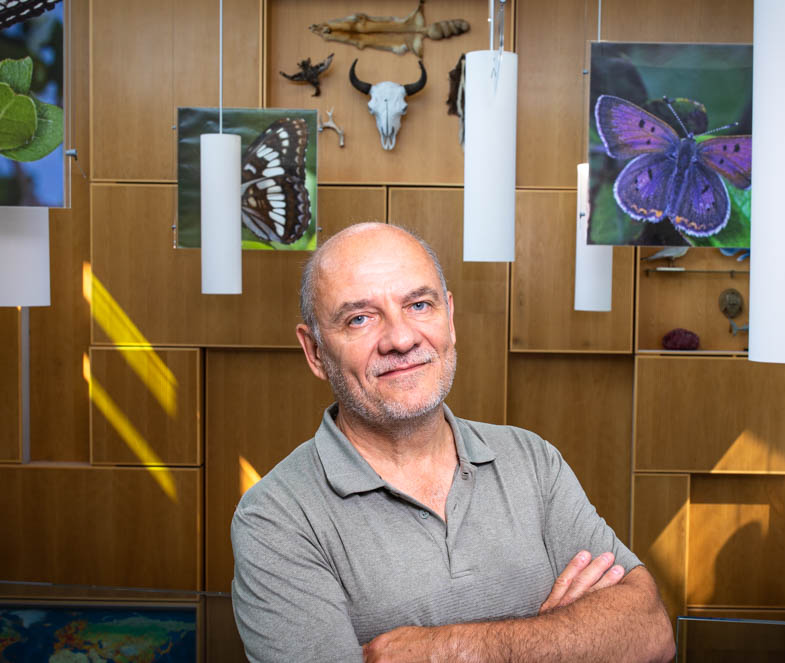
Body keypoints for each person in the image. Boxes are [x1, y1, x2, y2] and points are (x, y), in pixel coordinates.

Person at [231, 223, 675, 662]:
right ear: (315, 352)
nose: (401, 339)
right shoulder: (274, 519)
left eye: (419, 305)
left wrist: (445, 650)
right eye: (360, 318)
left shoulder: (533, 460)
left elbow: (650, 632)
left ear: (450, 317)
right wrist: (567, 638)